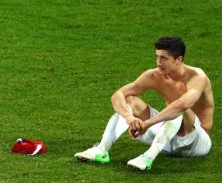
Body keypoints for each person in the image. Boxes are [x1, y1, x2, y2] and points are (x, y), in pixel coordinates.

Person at [74, 36, 214, 171]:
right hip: (166, 139)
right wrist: (130, 118)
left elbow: (183, 104)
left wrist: (148, 124)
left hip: (194, 142)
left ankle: (148, 157)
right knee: (129, 100)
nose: (158, 62)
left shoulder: (197, 78)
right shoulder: (154, 75)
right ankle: (101, 149)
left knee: (178, 107)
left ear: (179, 59)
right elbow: (118, 95)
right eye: (157, 56)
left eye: (164, 58)